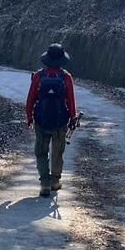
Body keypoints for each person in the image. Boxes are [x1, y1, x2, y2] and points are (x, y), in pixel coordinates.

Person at [25, 43, 76, 197]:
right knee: (57, 152)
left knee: (41, 152)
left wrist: (29, 117)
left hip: (41, 120)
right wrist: (72, 118)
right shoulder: (66, 77)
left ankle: (44, 183)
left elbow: (30, 99)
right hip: (60, 122)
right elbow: (71, 101)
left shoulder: (39, 76)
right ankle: (55, 181)